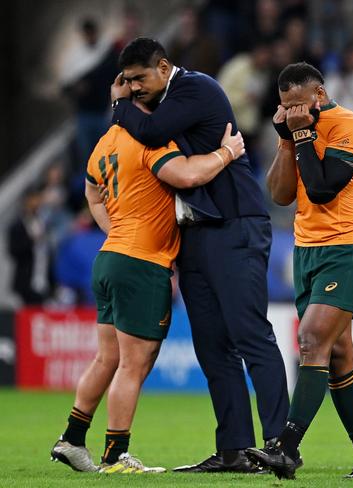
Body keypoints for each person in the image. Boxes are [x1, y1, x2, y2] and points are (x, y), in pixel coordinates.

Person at [109, 37, 289, 473]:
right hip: (195, 232)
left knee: (250, 334)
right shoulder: (161, 105)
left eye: (139, 78)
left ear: (164, 66)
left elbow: (147, 132)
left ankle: (282, 446)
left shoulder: (196, 88)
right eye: (126, 81)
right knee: (212, 347)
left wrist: (118, 105)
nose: (132, 88)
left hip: (235, 224)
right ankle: (234, 450)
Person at [50, 105, 244, 473]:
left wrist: (118, 233)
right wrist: (227, 153)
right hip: (142, 262)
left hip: (111, 256)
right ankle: (115, 456)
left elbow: (93, 196)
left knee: (107, 359)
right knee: (133, 363)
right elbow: (186, 176)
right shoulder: (148, 138)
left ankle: (72, 440)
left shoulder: (104, 144)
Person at [245, 62, 353, 479]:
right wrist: (286, 142)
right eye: (285, 107)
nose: (292, 113)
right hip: (308, 252)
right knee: (339, 356)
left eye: (299, 105)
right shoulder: (296, 132)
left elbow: (324, 188)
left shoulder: (351, 127)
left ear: (320, 96)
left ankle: (286, 447)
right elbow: (280, 193)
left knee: (309, 340)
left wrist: (303, 134)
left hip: (347, 250)